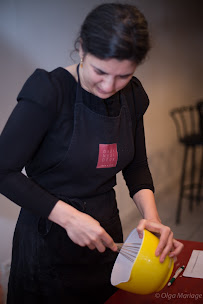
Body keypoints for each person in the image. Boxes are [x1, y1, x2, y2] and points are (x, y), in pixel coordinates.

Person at [0, 3, 183, 304]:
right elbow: (3, 171)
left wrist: (152, 219)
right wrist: (70, 218)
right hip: (48, 238)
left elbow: (136, 166)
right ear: (82, 48)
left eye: (123, 76)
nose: (109, 86)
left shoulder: (134, 95)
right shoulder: (49, 91)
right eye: (100, 71)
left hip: (105, 235)